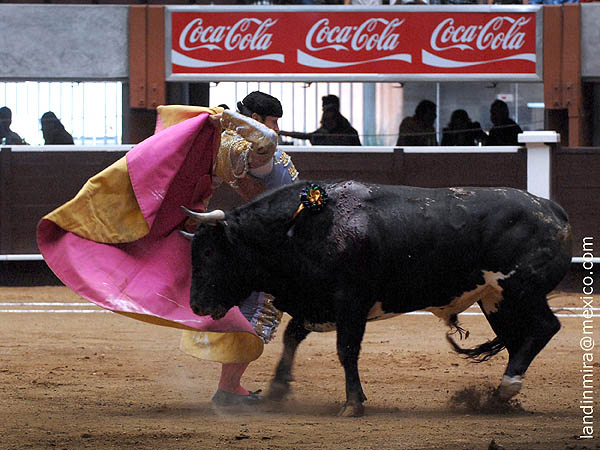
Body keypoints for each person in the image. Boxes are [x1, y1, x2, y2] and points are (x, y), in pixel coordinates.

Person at [37, 91, 298, 409]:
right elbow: (264, 147)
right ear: (257, 120)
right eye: (273, 121)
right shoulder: (239, 147)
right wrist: (236, 121)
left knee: (260, 309)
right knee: (258, 312)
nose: (278, 129)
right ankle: (229, 390)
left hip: (271, 237)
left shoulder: (236, 139)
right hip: (262, 243)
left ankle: (231, 387)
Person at [280, 95, 361, 146]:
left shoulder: (348, 131)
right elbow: (309, 136)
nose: (324, 111)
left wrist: (283, 133)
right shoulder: (343, 128)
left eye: (325, 108)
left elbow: (308, 136)